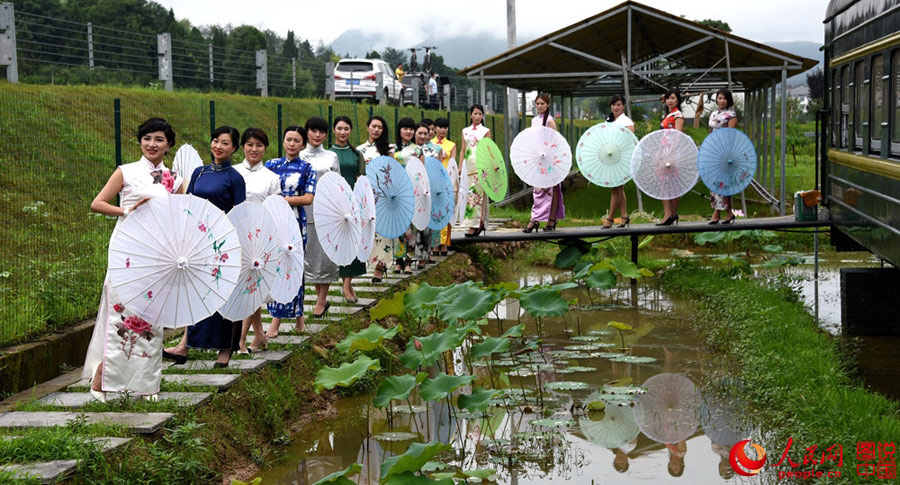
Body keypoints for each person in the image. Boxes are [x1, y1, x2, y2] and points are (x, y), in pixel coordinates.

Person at [83, 117, 182, 402]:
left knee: (151, 318)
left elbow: (182, 216)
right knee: (121, 313)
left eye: (159, 139)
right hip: (127, 249)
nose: (152, 144)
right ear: (140, 141)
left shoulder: (175, 179)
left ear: (168, 145)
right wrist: (125, 210)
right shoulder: (125, 172)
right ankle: (103, 380)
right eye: (147, 138)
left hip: (158, 253)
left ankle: (145, 385)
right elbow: (97, 203)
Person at [165, 126, 246, 368]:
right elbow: (189, 205)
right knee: (196, 292)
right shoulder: (199, 173)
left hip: (223, 242)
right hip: (198, 243)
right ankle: (184, 346)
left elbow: (241, 213)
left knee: (225, 294)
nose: (218, 146)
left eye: (224, 143)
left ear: (234, 148)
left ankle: (225, 350)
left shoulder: (235, 178)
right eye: (215, 141)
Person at [264, 126, 315, 338]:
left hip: (294, 221)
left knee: (293, 266)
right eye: (288, 139)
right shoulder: (271, 165)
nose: (292, 144)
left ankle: (276, 322)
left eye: (296, 140)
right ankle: (297, 315)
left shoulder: (306, 167)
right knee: (275, 266)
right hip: (272, 220)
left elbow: (308, 198)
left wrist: (283, 201)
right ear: (283, 141)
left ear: (303, 144)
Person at [233, 127, 280, 354]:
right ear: (242, 146)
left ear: (265, 148)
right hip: (234, 234)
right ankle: (259, 335)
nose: (254, 149)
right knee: (246, 287)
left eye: (259, 145)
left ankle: (240, 340)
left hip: (259, 239)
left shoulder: (271, 178)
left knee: (251, 287)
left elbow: (274, 210)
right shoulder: (232, 173)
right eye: (250, 144)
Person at [301, 117, 340, 318]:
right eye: (314, 131)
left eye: (322, 132)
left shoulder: (332, 156)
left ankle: (321, 300)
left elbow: (338, 184)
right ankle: (320, 298)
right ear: (307, 132)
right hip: (304, 210)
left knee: (325, 254)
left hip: (327, 210)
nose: (317, 135)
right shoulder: (299, 155)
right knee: (311, 254)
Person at [330, 116, 366, 302]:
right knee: (342, 244)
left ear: (350, 131)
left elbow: (362, 179)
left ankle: (347, 284)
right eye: (339, 128)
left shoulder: (356, 154)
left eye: (346, 129)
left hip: (354, 203)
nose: (343, 132)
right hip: (336, 203)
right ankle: (346, 285)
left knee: (354, 243)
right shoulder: (329, 154)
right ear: (334, 130)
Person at [357, 116, 395, 283]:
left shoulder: (389, 149)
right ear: (367, 127)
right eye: (374, 126)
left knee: (383, 232)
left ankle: (380, 267)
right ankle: (366, 261)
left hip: (383, 195)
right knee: (366, 229)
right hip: (366, 195)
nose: (376, 130)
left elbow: (393, 172)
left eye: (380, 127)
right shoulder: (360, 150)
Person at [523, 93, 564, 233]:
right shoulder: (534, 120)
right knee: (539, 189)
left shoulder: (550, 121)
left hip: (549, 159)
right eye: (538, 104)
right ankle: (537, 219)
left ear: (548, 105)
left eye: (542, 104)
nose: (540, 106)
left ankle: (547, 219)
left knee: (551, 189)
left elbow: (555, 141)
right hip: (537, 158)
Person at [393, 117, 421, 273]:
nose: (409, 132)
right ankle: (398, 260)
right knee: (398, 227)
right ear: (399, 130)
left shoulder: (417, 150)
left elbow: (421, 173)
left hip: (413, 192)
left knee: (411, 228)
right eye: (405, 129)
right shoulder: (392, 150)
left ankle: (409, 261)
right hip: (397, 193)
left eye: (411, 129)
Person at [602, 95, 634, 229]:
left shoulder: (627, 122)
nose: (616, 107)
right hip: (611, 156)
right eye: (614, 105)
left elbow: (630, 140)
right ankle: (624, 216)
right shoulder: (609, 120)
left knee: (615, 188)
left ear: (623, 106)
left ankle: (610, 219)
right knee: (618, 188)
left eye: (619, 105)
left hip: (621, 158)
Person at [414, 122, 443, 268]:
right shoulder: (409, 150)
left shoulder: (435, 150)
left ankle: (425, 255)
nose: (423, 136)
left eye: (426, 133)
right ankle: (411, 257)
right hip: (413, 189)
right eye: (420, 133)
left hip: (429, 189)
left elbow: (439, 170)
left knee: (427, 224)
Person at [707, 88, 738, 225]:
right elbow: (710, 131)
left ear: (728, 100)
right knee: (714, 181)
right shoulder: (713, 114)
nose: (721, 101)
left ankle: (717, 213)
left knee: (722, 182)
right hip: (713, 150)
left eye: (724, 98)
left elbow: (731, 134)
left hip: (724, 151)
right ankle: (728, 212)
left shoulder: (731, 115)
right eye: (719, 98)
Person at [460, 104, 492, 237]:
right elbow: (463, 149)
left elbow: (489, 149)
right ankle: (479, 223)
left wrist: (491, 164)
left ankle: (475, 225)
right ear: (470, 115)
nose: (478, 116)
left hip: (480, 166)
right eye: (475, 114)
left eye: (480, 114)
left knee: (477, 195)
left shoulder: (485, 131)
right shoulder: (465, 131)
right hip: (468, 166)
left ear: (483, 116)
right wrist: (460, 165)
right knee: (469, 194)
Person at [657, 89, 685, 226]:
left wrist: (671, 152)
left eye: (673, 98)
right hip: (664, 151)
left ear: (678, 100)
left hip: (672, 152)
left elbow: (678, 135)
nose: (670, 100)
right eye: (668, 98)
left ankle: (671, 213)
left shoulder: (678, 115)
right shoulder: (668, 114)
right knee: (664, 182)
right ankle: (669, 214)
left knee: (672, 183)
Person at [431, 117, 456, 256]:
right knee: (434, 212)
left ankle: (445, 242)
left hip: (446, 180)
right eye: (440, 127)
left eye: (445, 127)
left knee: (446, 211)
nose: (443, 130)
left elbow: (453, 164)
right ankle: (435, 243)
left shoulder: (451, 145)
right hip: (434, 180)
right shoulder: (430, 144)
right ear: (435, 128)